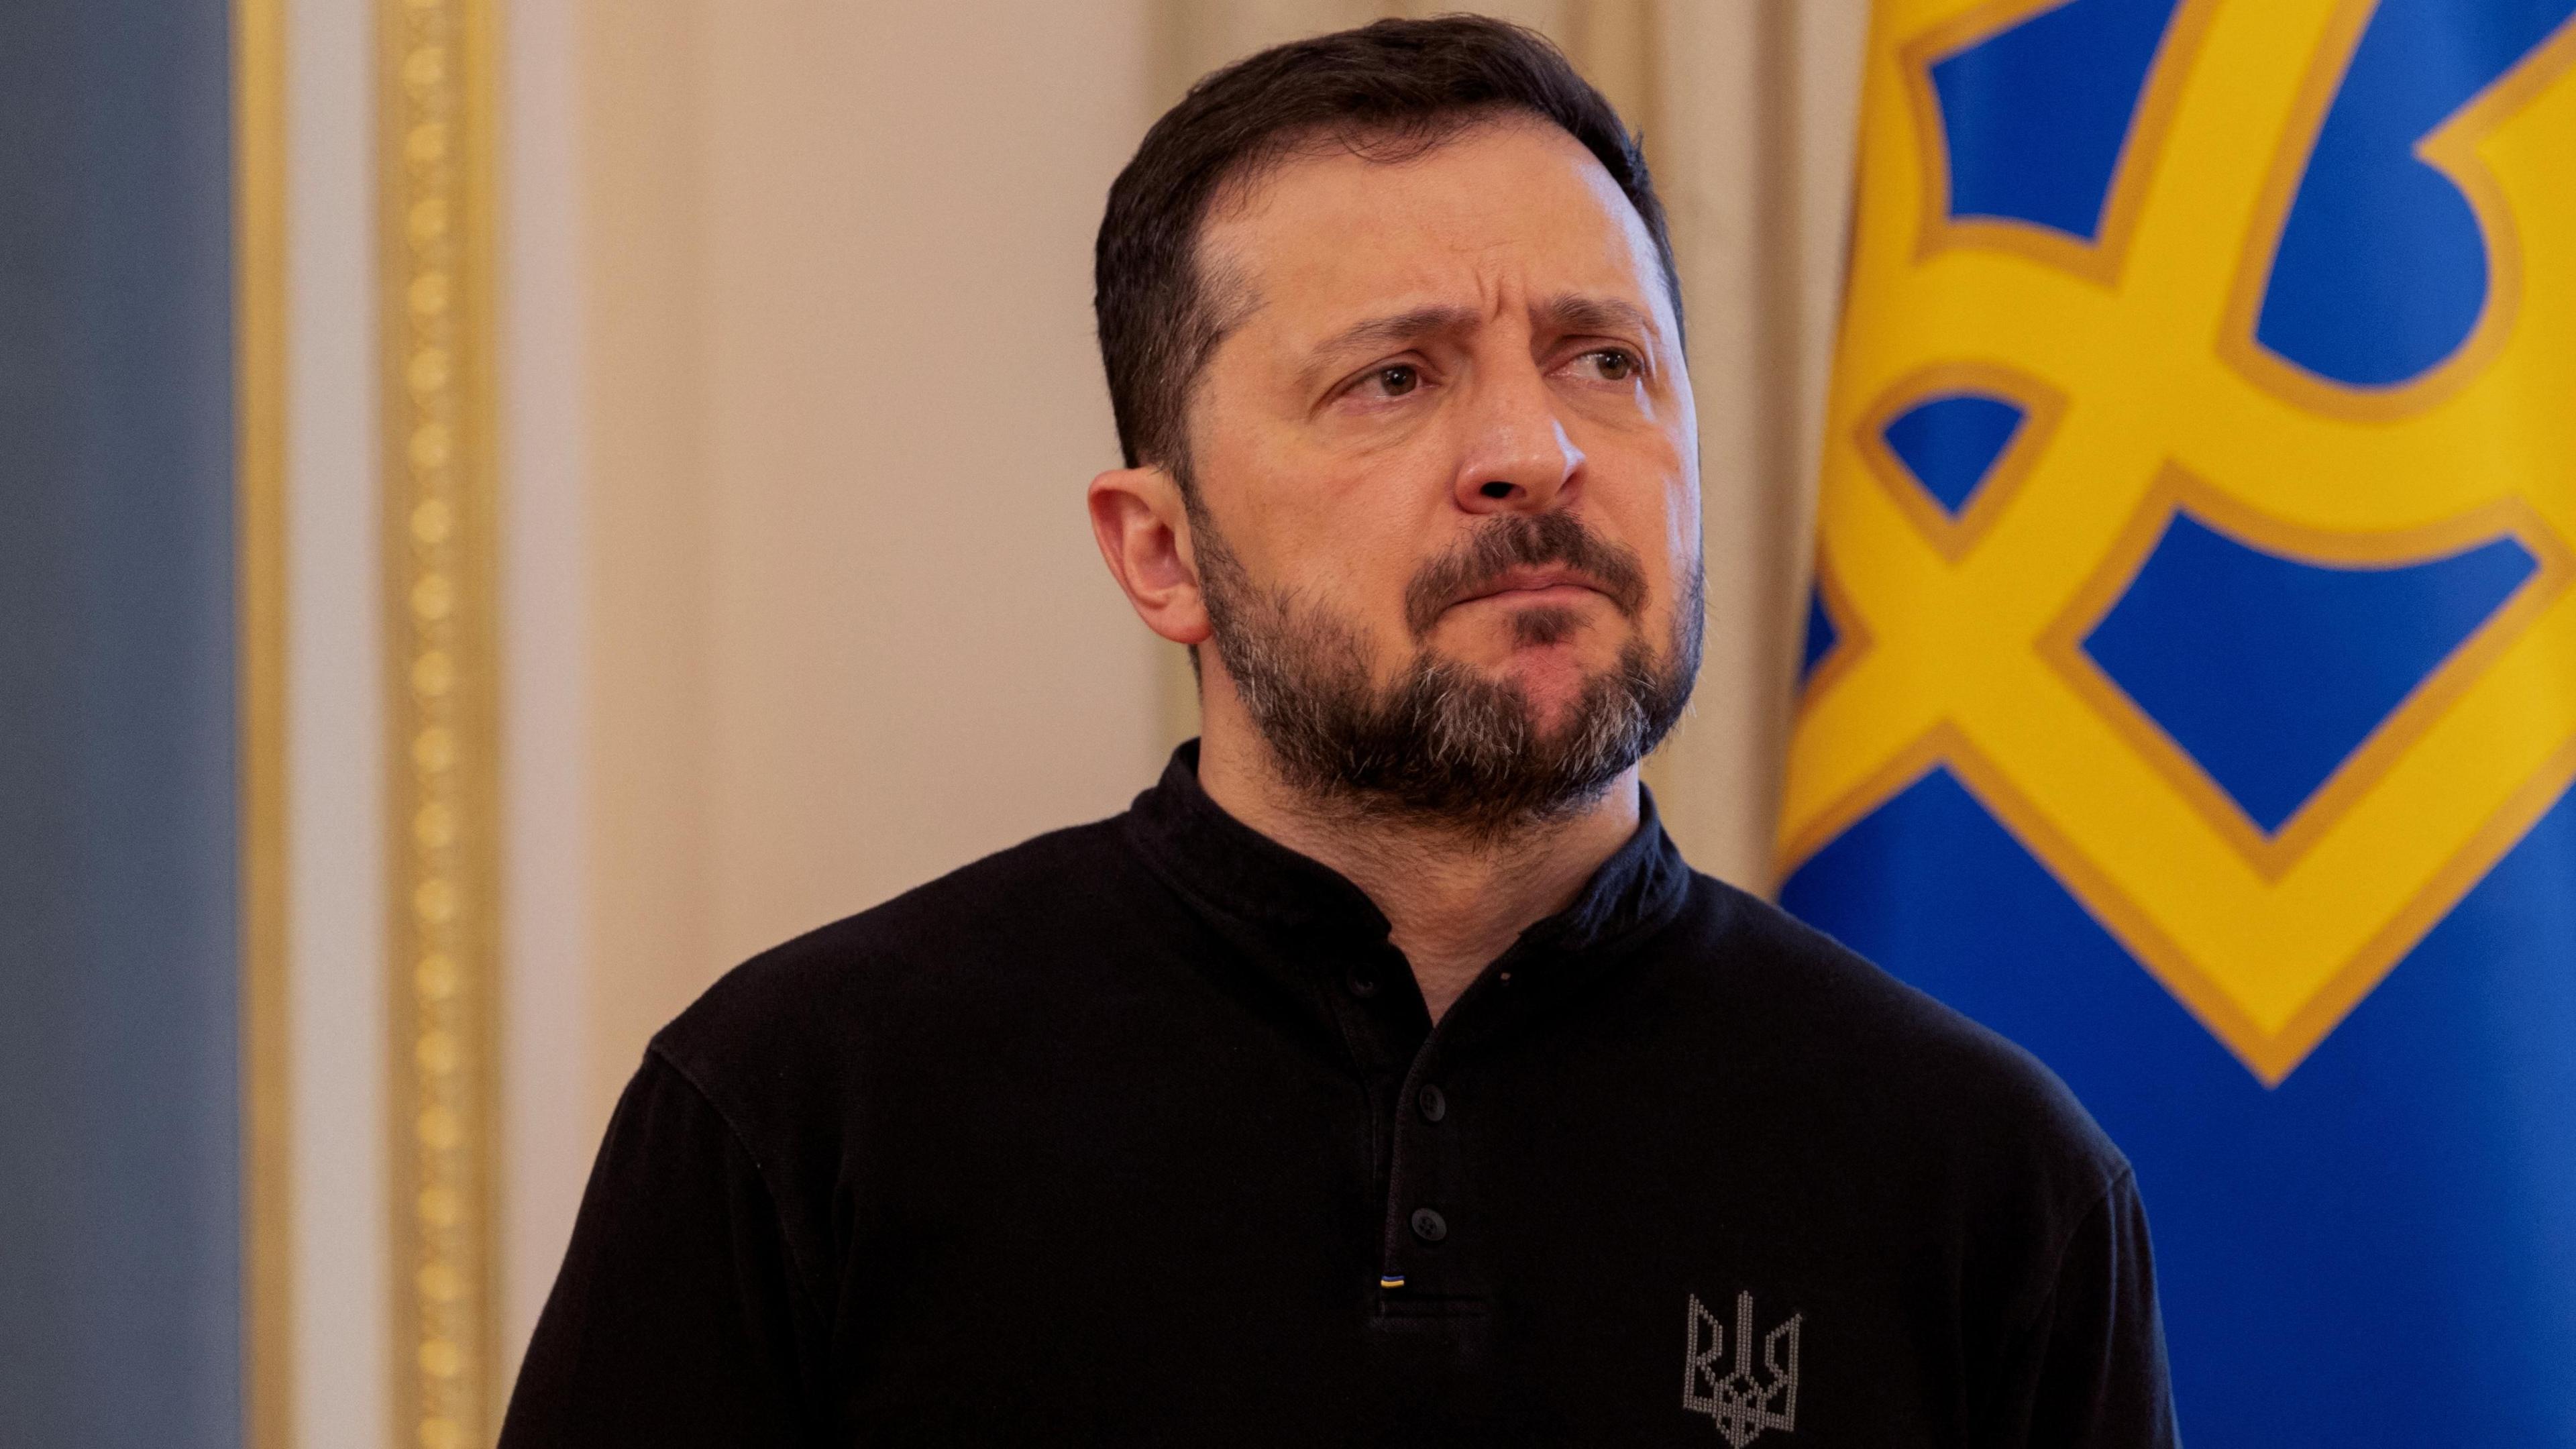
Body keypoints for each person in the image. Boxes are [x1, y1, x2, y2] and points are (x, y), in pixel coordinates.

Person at [500, 17, 2178, 1446]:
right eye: (1395, 378)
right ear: (1160, 553)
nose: (1535, 450)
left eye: (1606, 361)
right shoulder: (801, 1117)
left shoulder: (1988, 1185)